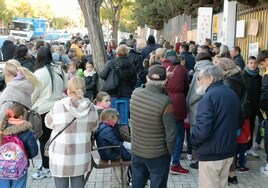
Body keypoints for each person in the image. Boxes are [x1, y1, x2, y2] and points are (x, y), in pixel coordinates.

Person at [191, 65, 240, 188]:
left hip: (211, 154)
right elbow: (239, 121)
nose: (198, 81)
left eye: (200, 78)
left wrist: (193, 140)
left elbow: (203, 130)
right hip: (227, 151)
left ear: (211, 78)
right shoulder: (231, 93)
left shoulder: (208, 97)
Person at [45, 77, 98, 188]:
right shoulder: (91, 108)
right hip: (81, 153)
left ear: (68, 90)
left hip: (60, 154)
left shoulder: (58, 105)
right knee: (78, 181)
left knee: (60, 183)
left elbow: (48, 123)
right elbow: (94, 127)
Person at [130, 65, 177, 188]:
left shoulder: (135, 93)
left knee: (137, 184)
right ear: (166, 81)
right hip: (158, 154)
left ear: (146, 77)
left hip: (137, 150)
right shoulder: (166, 102)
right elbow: (171, 133)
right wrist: (170, 152)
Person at [31, 46, 67, 180]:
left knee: (44, 140)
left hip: (42, 110)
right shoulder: (59, 70)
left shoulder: (39, 73)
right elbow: (65, 87)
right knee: (55, 139)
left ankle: (46, 167)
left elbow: (33, 94)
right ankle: (54, 164)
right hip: (59, 108)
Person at [161, 49, 189, 174]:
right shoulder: (182, 69)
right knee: (178, 134)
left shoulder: (160, 67)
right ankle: (175, 163)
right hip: (178, 101)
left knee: (162, 132)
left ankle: (163, 161)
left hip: (162, 100)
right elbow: (186, 87)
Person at [0, 103, 38, 188]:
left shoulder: (2, 129)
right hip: (19, 167)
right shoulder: (27, 132)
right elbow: (34, 152)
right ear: (21, 117)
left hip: (1, 167)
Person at [186, 52, 213, 169]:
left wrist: (188, 102)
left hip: (197, 107)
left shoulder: (200, 71)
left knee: (197, 134)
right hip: (204, 107)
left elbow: (198, 91)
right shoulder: (211, 69)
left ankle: (199, 160)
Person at [99, 45, 137, 126]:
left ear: (117, 53)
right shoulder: (131, 65)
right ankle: (125, 134)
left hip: (112, 93)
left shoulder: (111, 63)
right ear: (127, 54)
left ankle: (112, 134)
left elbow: (102, 75)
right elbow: (134, 82)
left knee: (111, 117)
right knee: (124, 117)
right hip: (127, 94)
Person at [242, 56, 262, 157]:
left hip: (254, 107)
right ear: (247, 64)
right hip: (245, 106)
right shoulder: (243, 76)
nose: (253, 65)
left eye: (255, 63)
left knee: (252, 126)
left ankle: (249, 147)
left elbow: (260, 92)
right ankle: (241, 149)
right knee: (243, 127)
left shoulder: (259, 77)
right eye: (251, 63)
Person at [256, 50, 268, 175]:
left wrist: (261, 108)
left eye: (261, 63)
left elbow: (265, 95)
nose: (260, 66)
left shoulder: (267, 75)